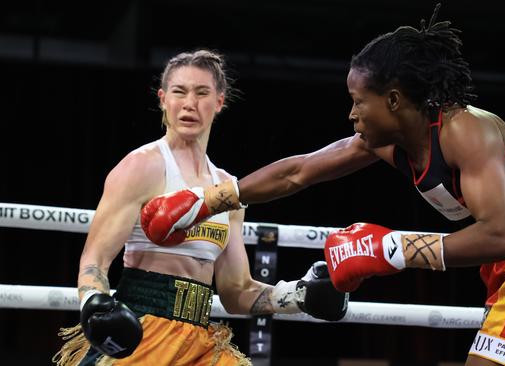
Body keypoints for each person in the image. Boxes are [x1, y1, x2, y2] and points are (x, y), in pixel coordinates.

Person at [140, 6, 505, 366]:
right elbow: (297, 171)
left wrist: (390, 248)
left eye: (359, 100)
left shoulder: (466, 130)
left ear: (394, 99)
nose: (351, 112)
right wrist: (207, 200)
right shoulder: (383, 143)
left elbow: (501, 237)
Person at [52, 49, 348, 366]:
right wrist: (93, 303)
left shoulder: (227, 188)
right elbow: (94, 261)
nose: (189, 103)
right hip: (144, 328)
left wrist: (298, 296)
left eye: (201, 92)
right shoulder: (141, 167)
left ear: (219, 102)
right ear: (163, 99)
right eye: (179, 92)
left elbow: (237, 292)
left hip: (200, 339)